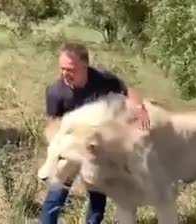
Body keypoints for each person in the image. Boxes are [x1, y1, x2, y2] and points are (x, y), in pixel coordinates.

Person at [39, 42, 150, 224]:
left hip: (98, 149)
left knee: (98, 196)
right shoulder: (55, 92)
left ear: (85, 65)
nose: (65, 73)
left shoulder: (103, 79)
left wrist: (140, 107)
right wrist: (60, 150)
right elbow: (52, 126)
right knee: (56, 191)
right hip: (72, 148)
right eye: (62, 68)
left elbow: (129, 91)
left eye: (71, 69)